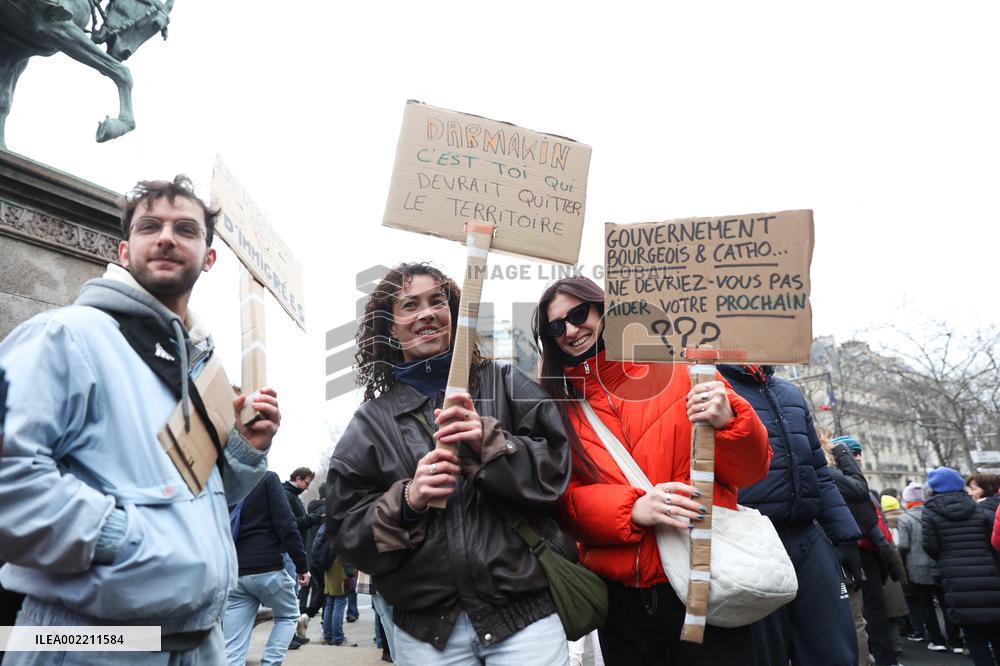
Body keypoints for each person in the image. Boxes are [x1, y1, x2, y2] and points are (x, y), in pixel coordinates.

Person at [0, 176, 281, 665]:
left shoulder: (201, 370)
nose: (168, 237)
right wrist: (118, 537)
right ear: (125, 251)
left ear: (208, 258)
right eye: (151, 226)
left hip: (196, 646)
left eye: (187, 230)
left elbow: (187, 504)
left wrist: (243, 452)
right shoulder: (64, 336)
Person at [326, 263, 573, 665]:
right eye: (410, 305)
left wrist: (489, 441)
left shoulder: (506, 383)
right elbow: (345, 529)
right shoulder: (370, 423)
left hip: (524, 620)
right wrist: (408, 499)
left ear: (454, 315)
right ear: (390, 327)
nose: (426, 313)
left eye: (437, 301)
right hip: (427, 634)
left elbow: (557, 472)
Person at [532, 277, 771, 666]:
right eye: (556, 327)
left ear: (603, 309)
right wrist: (632, 510)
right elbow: (563, 501)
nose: (571, 331)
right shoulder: (556, 407)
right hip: (622, 602)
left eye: (578, 314)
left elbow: (752, 469)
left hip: (703, 582)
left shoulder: (680, 369)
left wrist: (730, 421)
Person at [719, 364, 860, 666]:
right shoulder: (710, 387)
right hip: (750, 543)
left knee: (834, 651)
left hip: (807, 539)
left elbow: (818, 470)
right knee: (765, 655)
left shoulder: (790, 393)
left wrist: (845, 535)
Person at [825, 435, 902, 666]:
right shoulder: (839, 480)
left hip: (862, 553)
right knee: (859, 616)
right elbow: (867, 516)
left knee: (867, 613)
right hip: (853, 553)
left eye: (858, 452)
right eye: (851, 452)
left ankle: (878, 657)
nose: (857, 457)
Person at [223, 471, 310, 665]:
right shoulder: (267, 479)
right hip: (267, 567)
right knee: (288, 615)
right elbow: (286, 525)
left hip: (237, 572)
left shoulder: (227, 483)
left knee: (232, 649)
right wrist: (302, 565)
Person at [922, 466, 1000, 666]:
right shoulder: (978, 509)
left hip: (954, 577)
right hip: (988, 574)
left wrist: (947, 558)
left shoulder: (930, 513)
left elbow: (930, 546)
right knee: (996, 631)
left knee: (974, 638)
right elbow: (992, 541)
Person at [896, 482, 949, 651]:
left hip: (916, 567)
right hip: (938, 563)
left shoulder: (905, 518)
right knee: (944, 602)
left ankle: (937, 640)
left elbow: (903, 545)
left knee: (925, 604)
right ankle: (955, 640)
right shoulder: (934, 512)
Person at [282, 466, 321, 648]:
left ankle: (291, 635)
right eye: (306, 482)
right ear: (298, 478)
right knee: (290, 596)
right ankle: (289, 638)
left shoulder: (291, 496)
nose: (307, 487)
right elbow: (292, 524)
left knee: (294, 595)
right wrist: (313, 518)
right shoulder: (287, 496)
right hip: (289, 552)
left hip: (293, 552)